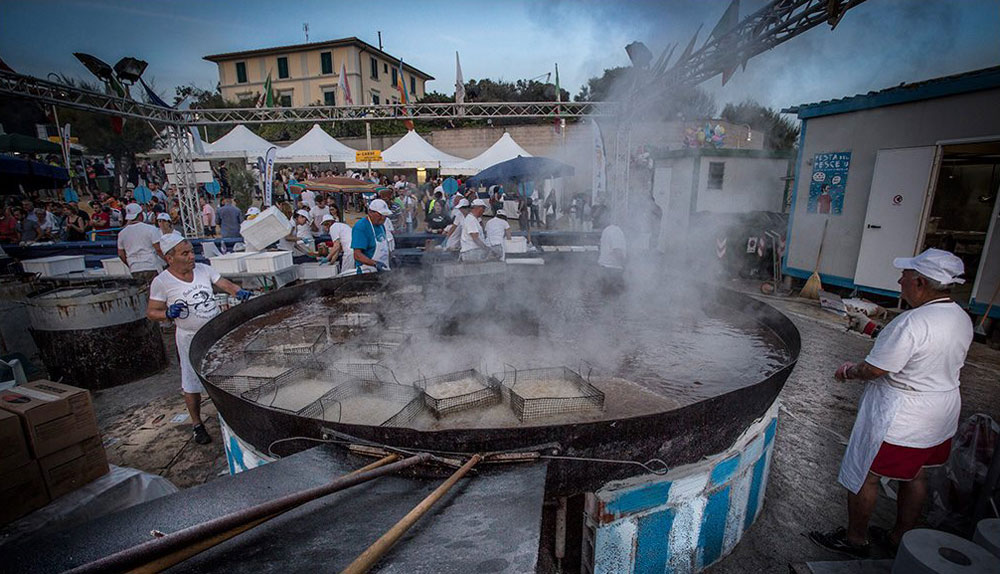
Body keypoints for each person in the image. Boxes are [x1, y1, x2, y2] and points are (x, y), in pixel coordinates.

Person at [809, 249, 973, 558]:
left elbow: (875, 369)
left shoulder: (911, 322)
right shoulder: (960, 317)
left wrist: (847, 372)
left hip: (901, 417)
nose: (900, 280)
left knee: (865, 474)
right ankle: (900, 536)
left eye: (906, 276)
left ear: (921, 283)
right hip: (940, 413)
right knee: (916, 474)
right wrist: (871, 329)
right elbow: (922, 349)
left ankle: (856, 540)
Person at [146, 233, 251, 445]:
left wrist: (239, 292)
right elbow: (151, 312)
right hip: (188, 338)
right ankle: (197, 424)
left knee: (224, 372)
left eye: (192, 252)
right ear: (170, 258)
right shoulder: (162, 282)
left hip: (215, 333)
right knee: (191, 382)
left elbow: (225, 284)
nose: (191, 257)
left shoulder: (204, 270)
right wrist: (167, 313)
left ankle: (231, 414)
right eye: (185, 254)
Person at [117, 203, 164, 283]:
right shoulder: (151, 229)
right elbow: (158, 249)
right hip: (151, 265)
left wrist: (129, 263)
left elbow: (121, 254)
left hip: (134, 267)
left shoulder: (122, 233)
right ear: (140, 215)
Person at [350, 198, 392, 275]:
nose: (383, 218)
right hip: (367, 272)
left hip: (383, 270)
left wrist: (392, 258)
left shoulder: (381, 226)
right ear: (370, 212)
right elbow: (357, 255)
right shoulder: (361, 227)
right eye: (380, 215)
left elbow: (385, 247)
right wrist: (375, 264)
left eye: (385, 215)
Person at [597, 213, 627, 287]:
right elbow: (617, 251)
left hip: (604, 269)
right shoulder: (617, 231)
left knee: (605, 296)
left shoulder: (607, 229)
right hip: (613, 271)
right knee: (615, 297)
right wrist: (626, 266)